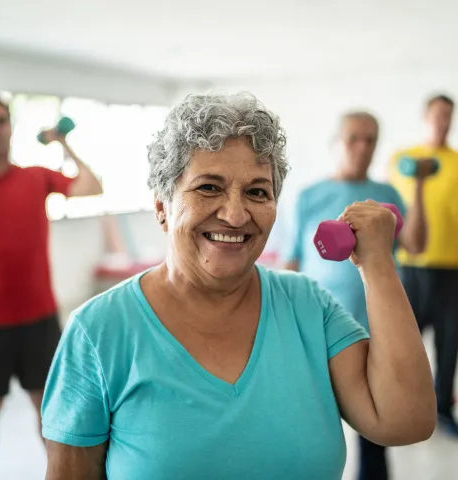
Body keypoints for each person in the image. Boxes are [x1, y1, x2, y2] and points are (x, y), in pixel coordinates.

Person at [42, 93, 435, 480]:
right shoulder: (97, 331)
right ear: (162, 206)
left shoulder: (309, 306)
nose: (235, 214)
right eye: (208, 187)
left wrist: (378, 263)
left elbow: (405, 421)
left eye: (257, 191)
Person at [282, 111, 435, 480]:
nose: (363, 147)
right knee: (313, 427)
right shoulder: (309, 196)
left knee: (378, 430)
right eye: (354, 138)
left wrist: (417, 186)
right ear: (336, 143)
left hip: (377, 329)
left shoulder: (386, 195)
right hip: (321, 332)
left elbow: (416, 243)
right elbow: (290, 263)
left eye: (371, 140)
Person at [0, 95, 103, 479]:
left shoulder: (35, 176)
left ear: (11, 127)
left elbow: (92, 187)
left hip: (38, 317)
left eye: (2, 120)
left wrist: (62, 143)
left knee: (49, 410)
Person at [389, 94, 458, 437]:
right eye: (437, 114)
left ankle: (443, 410)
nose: (442, 121)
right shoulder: (402, 160)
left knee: (449, 344)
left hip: (452, 268)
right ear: (425, 116)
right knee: (403, 341)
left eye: (448, 115)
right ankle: (400, 406)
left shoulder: (457, 162)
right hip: (410, 266)